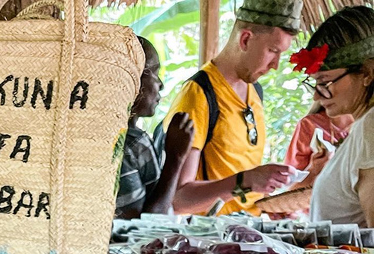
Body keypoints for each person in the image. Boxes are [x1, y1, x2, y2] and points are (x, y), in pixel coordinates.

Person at [162, 0, 303, 215]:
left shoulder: (255, 91)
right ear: (245, 39)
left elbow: (241, 191)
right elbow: (179, 200)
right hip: (211, 240)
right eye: (272, 50)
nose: (276, 65)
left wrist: (268, 205)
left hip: (246, 232)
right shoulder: (198, 94)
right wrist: (246, 181)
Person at [298, 6, 374, 227]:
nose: (316, 94)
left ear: (367, 73)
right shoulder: (363, 126)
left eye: (324, 83)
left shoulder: (370, 127)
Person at [115, 37, 195, 220]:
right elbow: (139, 227)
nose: (161, 84)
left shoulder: (136, 140)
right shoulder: (123, 147)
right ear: (131, 80)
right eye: (154, 72)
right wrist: (175, 159)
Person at [284, 102, 354, 172]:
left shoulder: (363, 125)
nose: (315, 97)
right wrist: (314, 170)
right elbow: (293, 178)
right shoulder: (310, 124)